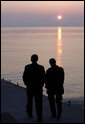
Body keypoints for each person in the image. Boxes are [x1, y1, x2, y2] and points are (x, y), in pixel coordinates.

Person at [22, 54, 45, 122]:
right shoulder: (41, 67)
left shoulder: (27, 67)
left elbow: (24, 77)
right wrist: (41, 85)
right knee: (39, 103)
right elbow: (44, 78)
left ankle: (29, 114)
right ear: (37, 59)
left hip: (30, 88)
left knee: (29, 102)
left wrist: (26, 84)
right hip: (38, 88)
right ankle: (39, 117)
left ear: (31, 59)